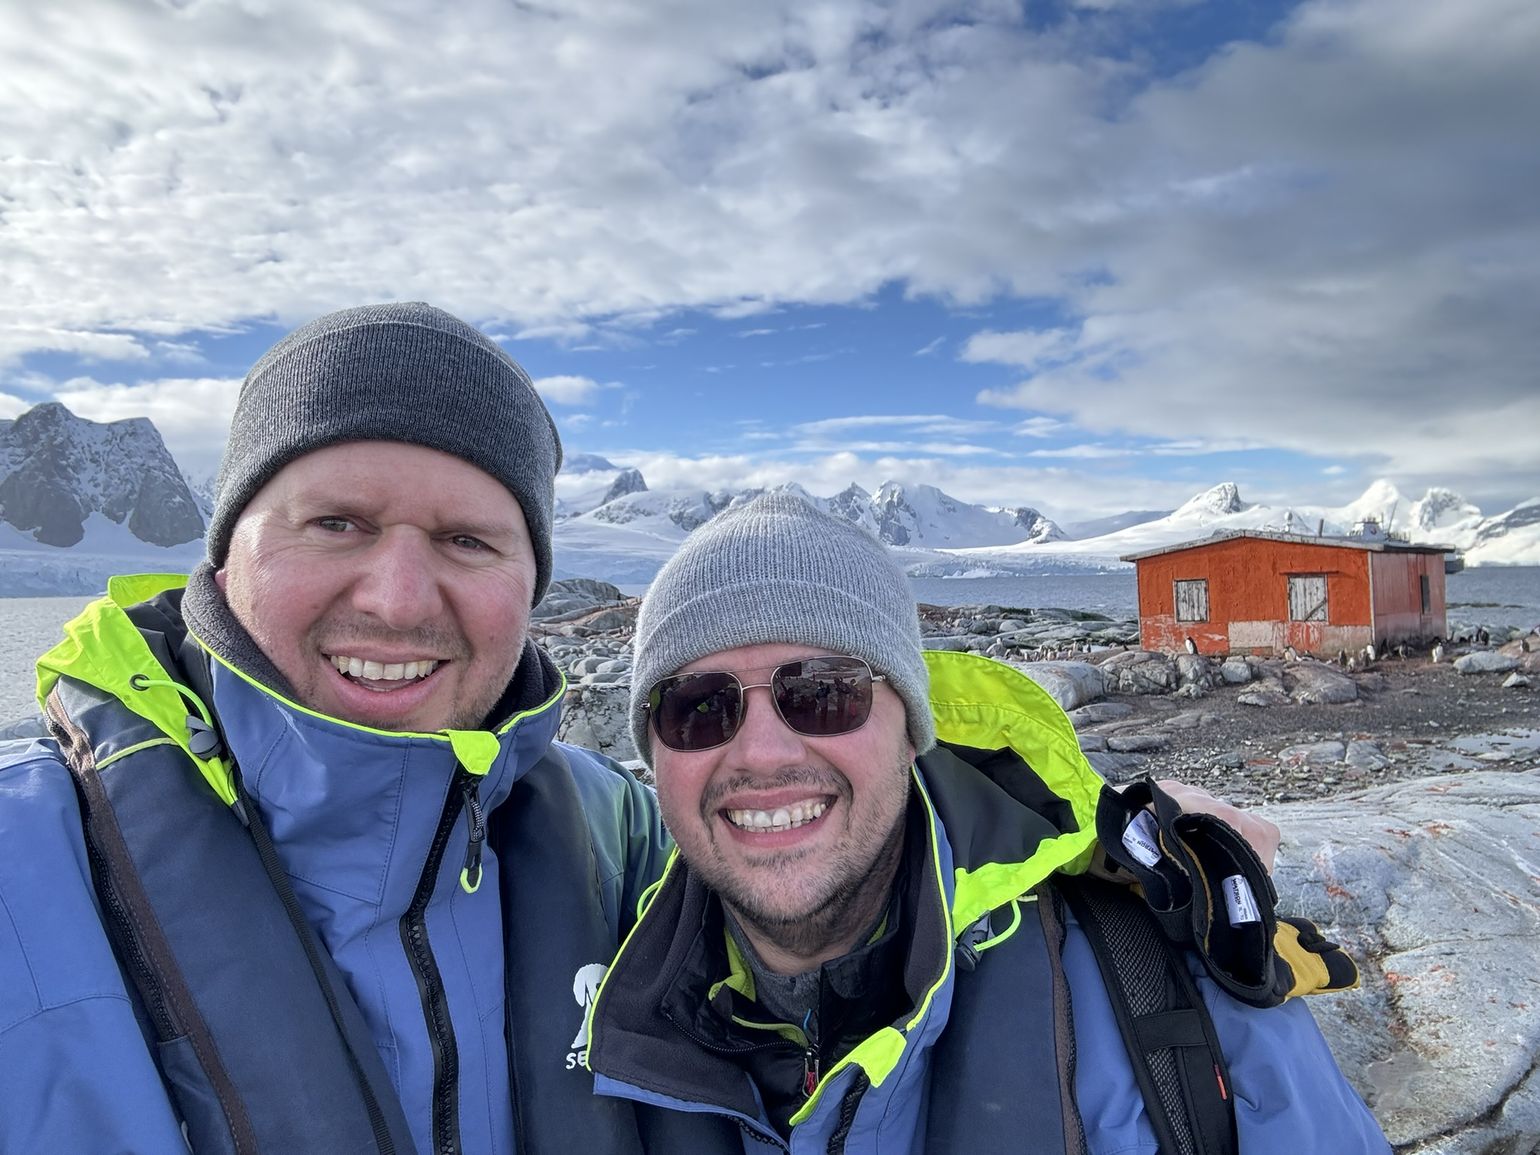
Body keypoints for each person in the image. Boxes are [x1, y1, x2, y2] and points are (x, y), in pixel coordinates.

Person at [0, 303, 669, 1154]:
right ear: (223, 553)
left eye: (467, 539)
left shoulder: (623, 832)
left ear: (530, 582)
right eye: (336, 523)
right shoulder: (19, 863)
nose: (396, 598)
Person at [586, 492, 1389, 1152]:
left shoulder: (1173, 987)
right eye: (699, 707)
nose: (760, 751)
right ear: (653, 757)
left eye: (824, 691)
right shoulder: (590, 1011)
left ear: (912, 728)